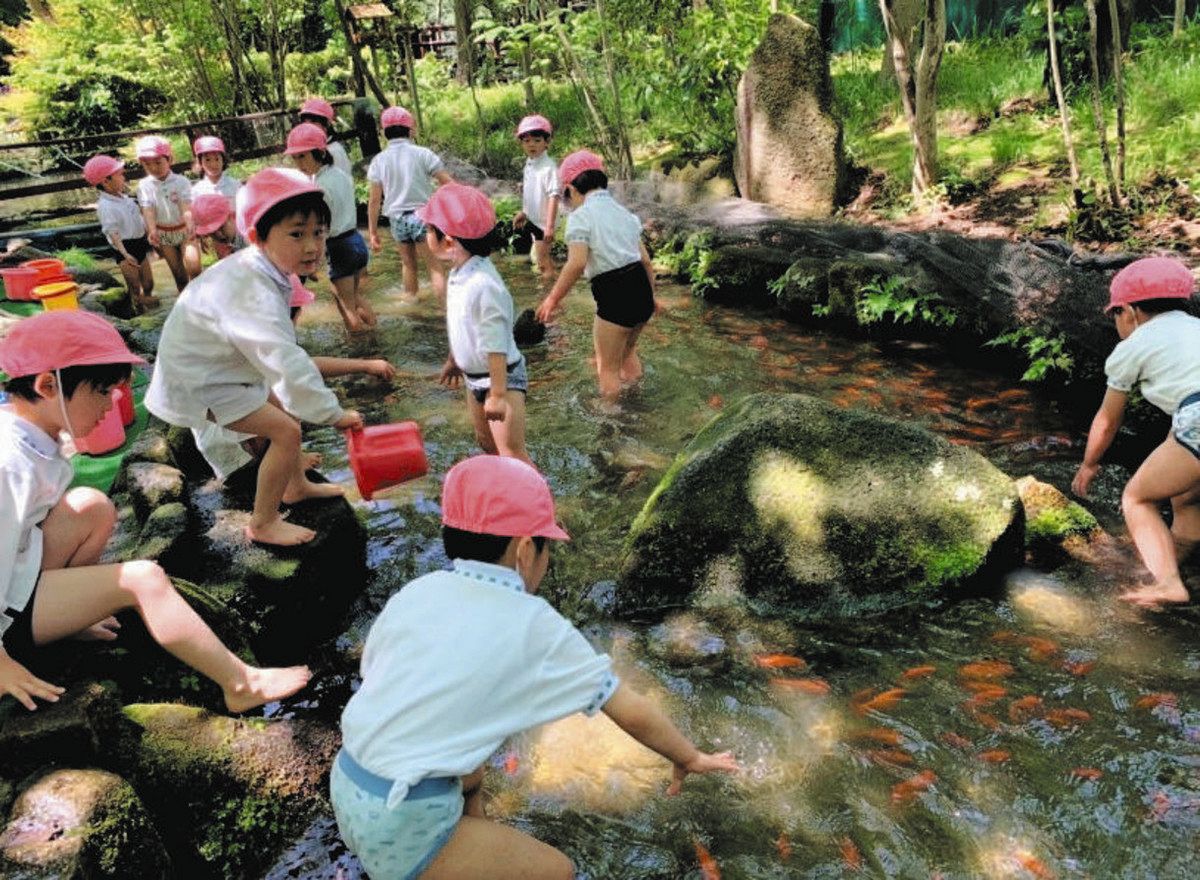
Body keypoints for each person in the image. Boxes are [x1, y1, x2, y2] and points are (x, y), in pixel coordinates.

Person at [331, 454, 738, 880]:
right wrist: (688, 756)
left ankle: (465, 842)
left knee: (467, 749)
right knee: (558, 871)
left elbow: (378, 677)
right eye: (547, 548)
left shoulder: (419, 591)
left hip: (349, 783)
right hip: (405, 820)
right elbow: (628, 707)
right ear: (526, 550)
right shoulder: (534, 622)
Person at [0, 310, 311, 713]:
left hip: (18, 577)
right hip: (8, 614)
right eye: (102, 391)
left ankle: (67, 620)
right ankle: (241, 682)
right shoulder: (9, 464)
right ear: (47, 386)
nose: (111, 404)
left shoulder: (30, 435)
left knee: (92, 507)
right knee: (142, 580)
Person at [145, 168, 364, 548]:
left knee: (283, 405)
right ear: (259, 235)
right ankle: (262, 523)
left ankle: (295, 486)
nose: (312, 246)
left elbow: (280, 362)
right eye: (297, 234)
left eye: (319, 232)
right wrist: (334, 414)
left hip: (215, 368)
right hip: (201, 380)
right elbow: (284, 359)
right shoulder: (250, 286)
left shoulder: (265, 270)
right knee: (286, 430)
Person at [1071, 256, 1200, 606]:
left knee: (1137, 498)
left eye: (1115, 315)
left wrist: (1089, 463)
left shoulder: (1131, 347)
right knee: (1187, 497)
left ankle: (1169, 583)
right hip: (1190, 419)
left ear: (1128, 312)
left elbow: (1109, 419)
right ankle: (1175, 557)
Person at [419, 184, 531, 464]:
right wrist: (454, 359)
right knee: (487, 443)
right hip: (476, 378)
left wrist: (498, 394)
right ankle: (507, 493)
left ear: (447, 242)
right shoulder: (461, 273)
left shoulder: (483, 285)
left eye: (428, 229)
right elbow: (462, 325)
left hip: (501, 377)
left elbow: (495, 344)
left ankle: (540, 504)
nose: (424, 235)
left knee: (512, 453)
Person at [534, 150, 657, 403]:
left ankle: (612, 422)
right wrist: (652, 298)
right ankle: (638, 401)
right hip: (642, 290)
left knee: (607, 368)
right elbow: (645, 261)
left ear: (570, 188)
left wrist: (552, 300)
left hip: (614, 293)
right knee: (628, 352)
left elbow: (576, 263)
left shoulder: (581, 217)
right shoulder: (626, 215)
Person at [286, 122, 375, 332]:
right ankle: (374, 330)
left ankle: (362, 350)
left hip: (339, 246)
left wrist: (313, 261)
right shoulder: (340, 175)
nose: (299, 164)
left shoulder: (319, 187)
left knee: (346, 307)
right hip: (356, 241)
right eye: (295, 158)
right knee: (353, 297)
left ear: (319, 152)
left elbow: (322, 228)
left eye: (303, 156)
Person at [366, 106, 453, 304]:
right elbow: (447, 183)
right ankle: (445, 310)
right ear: (410, 130)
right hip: (423, 216)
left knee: (408, 264)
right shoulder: (423, 154)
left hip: (397, 218)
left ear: (384, 132)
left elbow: (374, 201)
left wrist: (372, 232)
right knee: (434, 266)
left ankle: (411, 302)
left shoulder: (379, 161)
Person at [82, 154, 158, 314]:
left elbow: (139, 218)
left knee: (149, 282)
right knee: (135, 286)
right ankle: (138, 310)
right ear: (105, 181)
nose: (124, 177)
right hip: (125, 248)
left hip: (139, 242)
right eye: (120, 175)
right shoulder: (106, 206)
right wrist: (124, 253)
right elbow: (112, 231)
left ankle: (148, 303)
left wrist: (150, 235)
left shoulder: (125, 198)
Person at [134, 135, 194, 292]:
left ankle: (203, 301)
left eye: (158, 162)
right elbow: (148, 208)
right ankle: (185, 307)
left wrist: (190, 224)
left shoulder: (181, 182)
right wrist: (152, 230)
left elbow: (185, 205)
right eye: (147, 164)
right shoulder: (144, 185)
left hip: (184, 229)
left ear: (169, 159)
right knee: (179, 276)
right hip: (164, 233)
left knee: (194, 268)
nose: (154, 167)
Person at [512, 115, 560, 287]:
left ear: (547, 142)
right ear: (522, 143)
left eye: (537, 140)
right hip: (533, 219)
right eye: (526, 141)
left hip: (543, 223)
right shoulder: (530, 164)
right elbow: (529, 191)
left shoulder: (549, 167)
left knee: (543, 262)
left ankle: (550, 297)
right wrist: (524, 212)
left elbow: (554, 196)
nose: (531, 144)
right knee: (541, 260)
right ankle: (549, 292)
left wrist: (549, 226)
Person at [185, 136, 241, 277]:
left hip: (236, 228)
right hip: (214, 234)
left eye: (217, 159)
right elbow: (194, 214)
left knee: (242, 259)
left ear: (223, 160)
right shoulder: (198, 189)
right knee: (225, 265)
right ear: (200, 162)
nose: (213, 164)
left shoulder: (234, 184)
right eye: (207, 160)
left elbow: (243, 208)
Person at [298, 98, 353, 177]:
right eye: (305, 122)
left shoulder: (334, 151)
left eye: (314, 121)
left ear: (326, 124)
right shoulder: (315, 149)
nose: (309, 127)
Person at [189, 193, 246, 267]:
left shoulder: (246, 237)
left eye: (221, 228)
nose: (219, 235)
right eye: (212, 233)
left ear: (230, 216)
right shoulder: (221, 241)